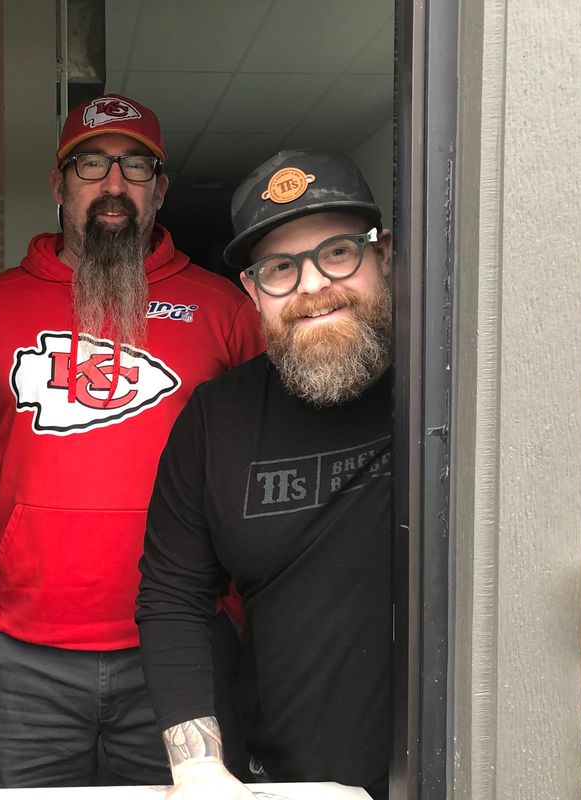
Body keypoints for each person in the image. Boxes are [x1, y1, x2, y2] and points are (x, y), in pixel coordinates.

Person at [0, 93, 264, 787]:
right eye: (90, 165)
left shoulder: (225, 309)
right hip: (20, 657)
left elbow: (263, 465)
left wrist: (234, 611)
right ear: (58, 185)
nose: (114, 184)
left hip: (183, 653)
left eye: (135, 166)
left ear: (161, 189)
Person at [136, 149, 394, 800]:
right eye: (281, 268)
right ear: (253, 291)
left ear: (382, 256)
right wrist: (196, 768)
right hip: (289, 781)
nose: (310, 286)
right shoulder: (215, 420)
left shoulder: (448, 394)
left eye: (337, 252)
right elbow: (172, 598)